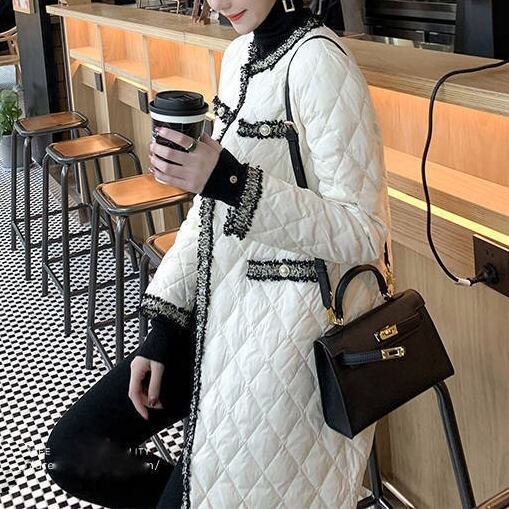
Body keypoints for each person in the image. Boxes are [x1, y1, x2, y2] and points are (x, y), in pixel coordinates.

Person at [45, 0, 391, 507]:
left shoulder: (320, 61)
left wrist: (231, 181)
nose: (218, 2)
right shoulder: (238, 55)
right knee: (75, 451)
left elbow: (365, 232)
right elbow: (209, 212)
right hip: (219, 311)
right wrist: (163, 330)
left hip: (290, 336)